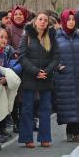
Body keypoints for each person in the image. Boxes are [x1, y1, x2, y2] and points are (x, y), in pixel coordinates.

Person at [18, 11, 59, 147]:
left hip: (46, 77)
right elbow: (22, 57)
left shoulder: (52, 37)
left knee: (45, 108)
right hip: (30, 77)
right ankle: (27, 138)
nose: (43, 22)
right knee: (27, 108)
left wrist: (46, 71)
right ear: (35, 21)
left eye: (45, 20)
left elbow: (56, 57)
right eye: (40, 19)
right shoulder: (27, 36)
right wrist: (36, 72)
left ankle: (45, 137)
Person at [54, 10, 79, 143]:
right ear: (63, 21)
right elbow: (52, 56)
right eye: (68, 19)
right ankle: (77, 133)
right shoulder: (56, 37)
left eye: (73, 19)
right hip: (64, 78)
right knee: (69, 104)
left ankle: (72, 132)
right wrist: (58, 65)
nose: (71, 22)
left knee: (77, 104)